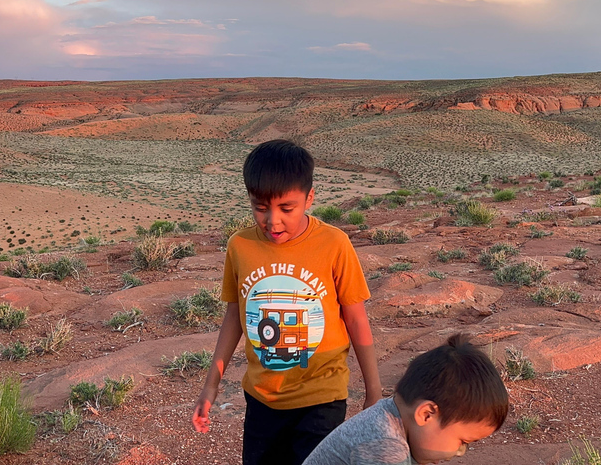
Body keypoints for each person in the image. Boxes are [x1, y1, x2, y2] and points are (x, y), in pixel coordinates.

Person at [191, 139, 382, 465]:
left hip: (322, 398)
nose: (272, 222)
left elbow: (355, 319)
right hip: (262, 398)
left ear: (309, 198)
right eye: (260, 208)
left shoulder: (335, 244)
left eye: (286, 209)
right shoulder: (240, 246)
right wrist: (211, 386)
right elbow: (235, 316)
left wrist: (374, 393)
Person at [304, 333, 508, 465]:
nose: (460, 452)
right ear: (426, 414)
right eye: (463, 441)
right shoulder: (386, 445)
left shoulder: (390, 415)